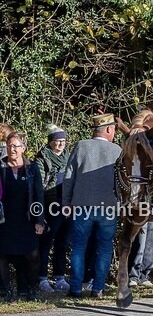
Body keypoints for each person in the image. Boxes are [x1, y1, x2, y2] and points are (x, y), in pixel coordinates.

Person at [63, 112, 122, 298]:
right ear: (108, 129)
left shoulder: (81, 146)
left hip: (82, 206)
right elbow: (122, 183)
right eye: (113, 129)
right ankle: (98, 288)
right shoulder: (117, 150)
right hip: (109, 208)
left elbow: (68, 177)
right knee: (104, 248)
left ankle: (75, 288)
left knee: (79, 247)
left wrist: (66, 202)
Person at [0, 132, 46, 300]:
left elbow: (39, 195)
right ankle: (6, 291)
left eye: (15, 146)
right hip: (4, 219)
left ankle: (31, 289)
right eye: (9, 145)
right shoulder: (1, 167)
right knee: (2, 254)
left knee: (32, 255)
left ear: (23, 148)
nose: (11, 149)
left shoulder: (32, 168)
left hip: (27, 218)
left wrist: (40, 220)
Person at [35, 124, 70, 294]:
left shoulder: (69, 158)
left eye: (63, 141)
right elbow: (39, 187)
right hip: (51, 206)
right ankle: (41, 277)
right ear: (50, 142)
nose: (60, 144)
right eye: (57, 141)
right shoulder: (42, 158)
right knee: (46, 243)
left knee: (62, 243)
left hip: (66, 207)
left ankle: (60, 277)